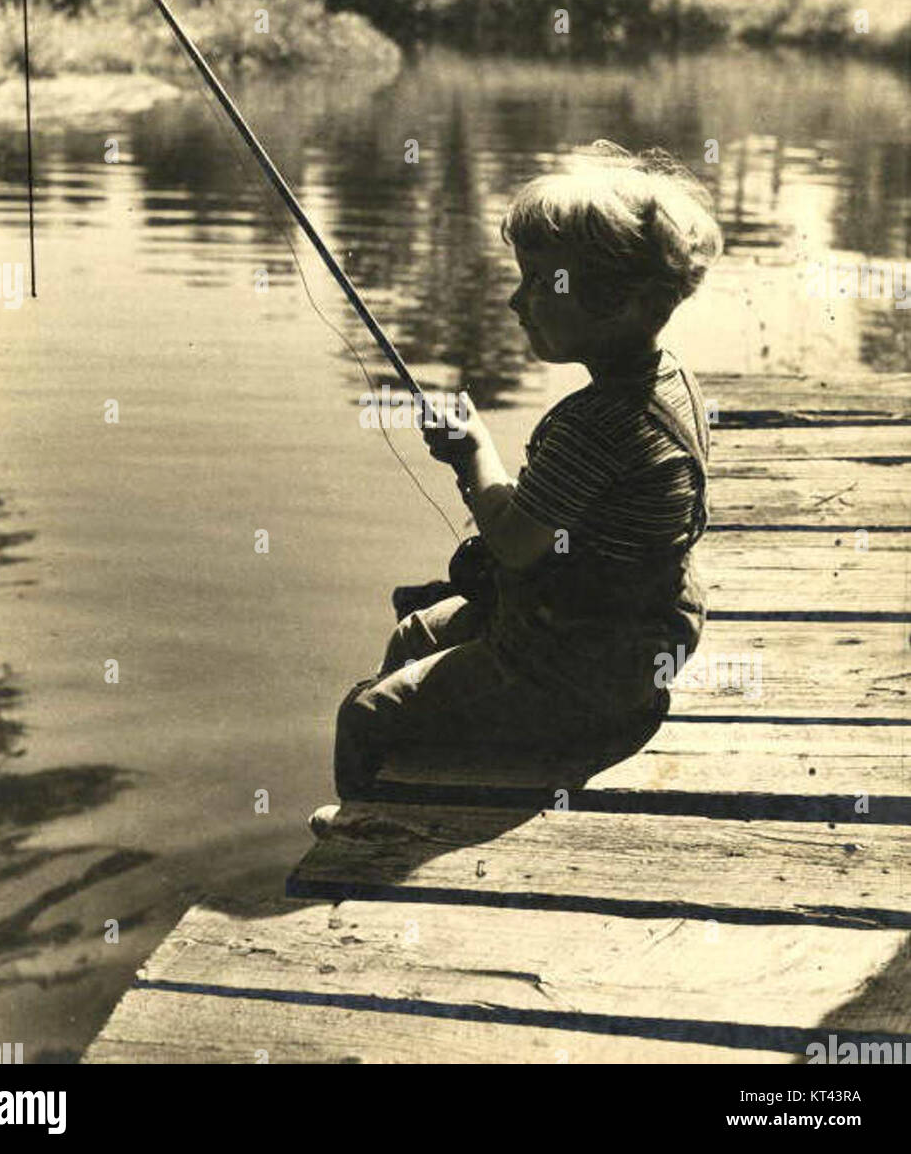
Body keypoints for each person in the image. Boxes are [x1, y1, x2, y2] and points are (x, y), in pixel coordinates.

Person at [310, 141, 723, 835]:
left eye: (540, 282)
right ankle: (419, 774)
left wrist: (473, 456)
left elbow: (518, 544)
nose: (514, 300)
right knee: (417, 632)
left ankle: (367, 828)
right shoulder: (672, 381)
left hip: (580, 663)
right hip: (640, 635)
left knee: (366, 714)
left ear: (617, 302)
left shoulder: (593, 425)